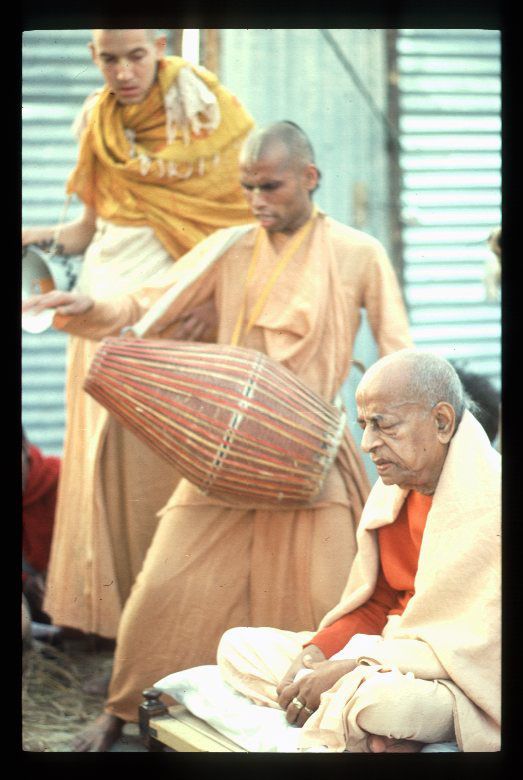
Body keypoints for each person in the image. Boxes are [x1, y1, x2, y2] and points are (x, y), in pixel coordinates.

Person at [22, 120, 413, 750]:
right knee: (165, 585)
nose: (257, 200)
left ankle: (314, 721)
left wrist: (402, 422)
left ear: (310, 179)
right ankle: (124, 711)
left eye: (271, 186)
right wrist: (85, 306)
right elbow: (149, 302)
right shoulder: (231, 246)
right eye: (247, 187)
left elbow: (398, 348)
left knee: (331, 599)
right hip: (226, 449)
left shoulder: (358, 252)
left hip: (311, 449)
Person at [21, 29, 255, 644]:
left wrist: (211, 301)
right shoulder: (98, 121)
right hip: (95, 313)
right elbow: (88, 232)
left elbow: (237, 224)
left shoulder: (204, 111)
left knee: (159, 475)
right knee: (99, 472)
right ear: (92, 57)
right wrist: (30, 235)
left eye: (136, 56)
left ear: (159, 46)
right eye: (108, 58)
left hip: (170, 315)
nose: (123, 72)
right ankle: (119, 630)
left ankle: (175, 628)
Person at [217, 349, 501, 753]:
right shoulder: (393, 491)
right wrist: (317, 654)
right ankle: (368, 729)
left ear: (441, 422)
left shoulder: (494, 499)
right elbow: (377, 601)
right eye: (365, 425)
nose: (367, 443)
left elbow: (479, 649)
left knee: (381, 703)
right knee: (237, 648)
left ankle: (368, 717)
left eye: (383, 426)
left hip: (448, 678)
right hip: (386, 654)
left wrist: (353, 668)